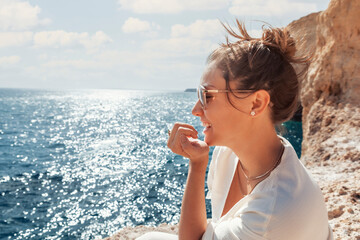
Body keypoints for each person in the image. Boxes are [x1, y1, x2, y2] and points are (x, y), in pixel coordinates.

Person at [137, 21, 333, 240]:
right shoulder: (231, 154)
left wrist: (197, 166)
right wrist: (199, 160)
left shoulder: (272, 211)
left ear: (256, 103)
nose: (195, 110)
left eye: (207, 96)